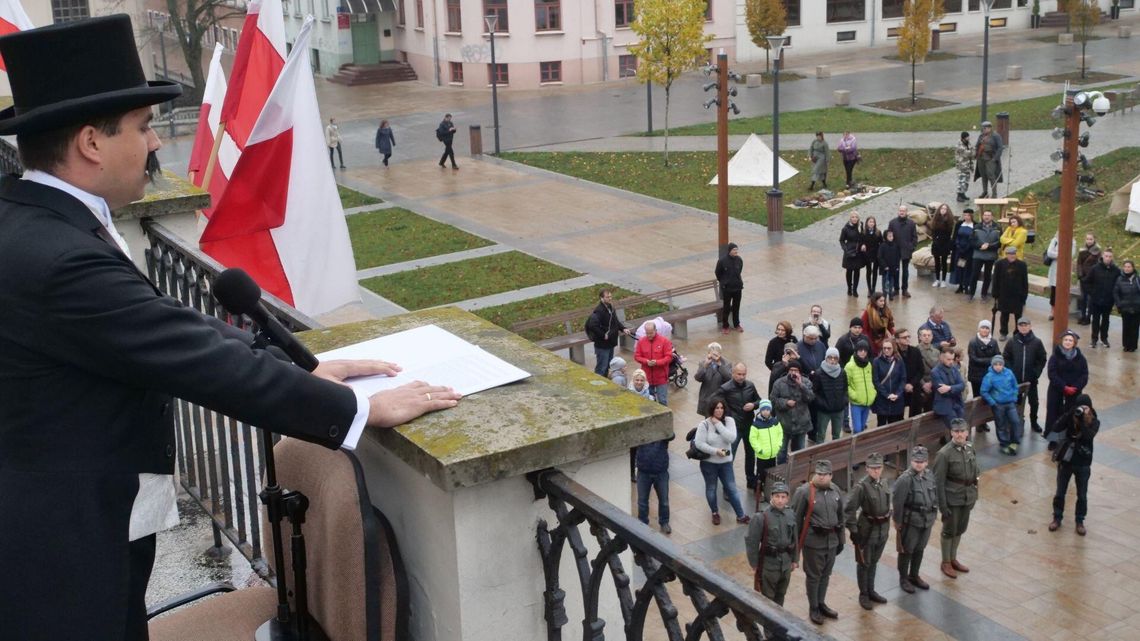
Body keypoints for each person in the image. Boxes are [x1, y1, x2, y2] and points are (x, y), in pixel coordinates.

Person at [0, 17, 463, 641]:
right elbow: (193, 358)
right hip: (58, 548)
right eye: (143, 126)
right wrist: (358, 408)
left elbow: (160, 325)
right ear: (90, 143)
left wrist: (296, 364)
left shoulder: (31, 218)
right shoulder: (60, 259)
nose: (156, 142)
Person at [791, 460, 846, 625]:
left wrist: (841, 540)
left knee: (826, 574)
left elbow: (841, 517)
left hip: (832, 541)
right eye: (819, 474)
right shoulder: (804, 492)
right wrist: (794, 548)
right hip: (813, 542)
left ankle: (821, 603)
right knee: (814, 576)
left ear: (831, 475)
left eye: (825, 474)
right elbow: (796, 520)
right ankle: (813, 607)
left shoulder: (835, 490)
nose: (821, 477)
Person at [933, 419, 979, 579]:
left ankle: (953, 558)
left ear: (967, 432)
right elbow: (938, 482)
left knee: (960, 529)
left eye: (962, 431)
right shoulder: (944, 454)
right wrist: (942, 506)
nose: (959, 434)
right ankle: (946, 561)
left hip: (967, 497)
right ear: (951, 433)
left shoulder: (970, 447)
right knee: (949, 531)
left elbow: (975, 473)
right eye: (956, 431)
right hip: (952, 498)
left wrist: (975, 495)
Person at [845, 452, 892, 611]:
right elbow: (849, 510)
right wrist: (853, 530)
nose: (876, 471)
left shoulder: (884, 483)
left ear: (882, 468)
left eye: (878, 467)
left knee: (874, 561)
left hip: (882, 530)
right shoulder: (861, 487)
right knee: (864, 562)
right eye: (873, 468)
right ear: (866, 468)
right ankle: (863, 593)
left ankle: (871, 590)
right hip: (867, 530)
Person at [1048, 394, 1099, 536]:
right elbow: (1056, 427)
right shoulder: (1071, 416)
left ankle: (1080, 521)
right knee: (1060, 492)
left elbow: (1088, 436)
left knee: (1082, 495)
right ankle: (1057, 518)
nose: (1082, 410)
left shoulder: (1095, 421)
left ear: (1090, 408)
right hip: (1067, 461)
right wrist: (1070, 413)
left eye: (1085, 407)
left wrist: (1082, 421)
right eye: (1080, 407)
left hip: (1083, 462)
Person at [693, 399, 750, 526]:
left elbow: (731, 438)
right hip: (709, 463)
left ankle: (741, 515)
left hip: (726, 463)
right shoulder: (704, 424)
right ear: (711, 409)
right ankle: (715, 512)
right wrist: (716, 451)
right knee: (711, 488)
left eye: (721, 408)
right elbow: (699, 443)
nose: (719, 410)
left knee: (732, 489)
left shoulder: (729, 421)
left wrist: (718, 424)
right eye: (716, 408)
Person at [892, 446, 938, 593]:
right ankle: (903, 578)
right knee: (907, 549)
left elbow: (934, 494)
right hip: (911, 521)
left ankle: (914, 575)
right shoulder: (905, 479)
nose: (919, 464)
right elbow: (897, 502)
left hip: (927, 520)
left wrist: (934, 513)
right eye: (916, 461)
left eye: (922, 461)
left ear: (927, 462)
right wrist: (898, 522)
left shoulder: (929, 475)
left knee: (920, 548)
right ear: (911, 461)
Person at [745, 480, 798, 606]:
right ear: (771, 497)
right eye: (777, 496)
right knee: (768, 599)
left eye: (783, 497)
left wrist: (795, 559)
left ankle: (779, 618)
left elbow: (794, 538)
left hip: (786, 564)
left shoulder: (790, 514)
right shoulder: (761, 517)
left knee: (781, 595)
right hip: (769, 565)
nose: (780, 500)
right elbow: (751, 542)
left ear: (787, 499)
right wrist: (754, 564)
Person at [719, 363, 762, 488]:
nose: (741, 377)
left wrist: (753, 405)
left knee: (750, 454)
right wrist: (729, 416)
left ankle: (751, 480)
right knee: (729, 455)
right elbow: (716, 405)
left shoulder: (750, 385)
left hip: (749, 425)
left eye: (744, 374)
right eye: (739, 374)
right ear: (733, 373)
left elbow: (759, 400)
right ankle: (727, 485)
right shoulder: (725, 388)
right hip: (734, 428)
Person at [1003, 318, 1047, 433]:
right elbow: (1006, 357)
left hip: (1031, 380)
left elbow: (1042, 359)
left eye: (1025, 325)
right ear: (1017, 327)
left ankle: (1034, 422)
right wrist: (1011, 372)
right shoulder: (1012, 341)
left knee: (1034, 402)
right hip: (1015, 381)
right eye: (1021, 325)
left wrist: (1036, 373)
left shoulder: (1037, 342)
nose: (1023, 327)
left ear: (1030, 326)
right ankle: (1017, 421)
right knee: (1016, 402)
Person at [1045, 330, 1088, 445]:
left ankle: (1070, 437)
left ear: (1074, 343)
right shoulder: (1055, 357)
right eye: (1066, 340)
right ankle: (1053, 440)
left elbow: (1084, 375)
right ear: (1062, 341)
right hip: (1056, 390)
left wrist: (1075, 387)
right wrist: (1064, 386)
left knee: (1072, 415)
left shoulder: (1081, 358)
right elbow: (1052, 374)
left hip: (1074, 392)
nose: (1068, 342)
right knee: (1053, 414)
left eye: (1070, 340)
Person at [771, 360, 815, 461]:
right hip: (784, 423)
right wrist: (786, 403)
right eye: (791, 370)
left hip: (801, 424)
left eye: (796, 370)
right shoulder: (779, 383)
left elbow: (810, 398)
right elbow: (773, 399)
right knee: (782, 451)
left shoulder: (806, 382)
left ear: (800, 372)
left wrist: (801, 385)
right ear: (788, 371)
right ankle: (781, 468)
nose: (793, 372)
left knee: (799, 451)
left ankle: (797, 468)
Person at [981, 355, 1022, 455]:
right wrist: (993, 402)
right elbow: (984, 391)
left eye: (1000, 364)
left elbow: (1015, 386)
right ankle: (1004, 443)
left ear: (1003, 365)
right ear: (992, 365)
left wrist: (1014, 397)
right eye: (996, 364)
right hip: (998, 405)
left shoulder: (1009, 372)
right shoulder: (989, 376)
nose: (998, 366)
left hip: (1010, 403)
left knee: (1015, 422)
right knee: (1001, 425)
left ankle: (1014, 441)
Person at [585, 288, 631, 377]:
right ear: (601, 298)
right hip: (602, 345)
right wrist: (603, 335)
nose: (610, 298)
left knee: (609, 365)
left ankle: (605, 380)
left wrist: (623, 328)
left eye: (610, 296)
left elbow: (615, 321)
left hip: (610, 342)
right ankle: (598, 382)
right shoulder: (599, 311)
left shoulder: (610, 307)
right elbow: (592, 325)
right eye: (607, 297)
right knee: (601, 367)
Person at [635, 433, 675, 534]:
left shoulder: (661, 429)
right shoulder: (641, 429)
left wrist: (663, 431)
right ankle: (642, 522)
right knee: (642, 501)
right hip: (643, 471)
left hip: (661, 471)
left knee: (664, 501)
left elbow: (671, 435)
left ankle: (664, 522)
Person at [1084, 248, 1121, 348]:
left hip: (1108, 301)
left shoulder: (1116, 270)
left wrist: (1114, 296)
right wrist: (1092, 293)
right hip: (1096, 300)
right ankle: (1094, 339)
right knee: (1095, 320)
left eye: (1110, 256)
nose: (1108, 258)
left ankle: (1104, 338)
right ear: (1102, 256)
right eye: (1106, 256)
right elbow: (1086, 282)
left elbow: (1118, 285)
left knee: (1106, 320)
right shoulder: (1095, 268)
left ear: (1112, 258)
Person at [749, 399, 783, 504]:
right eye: (764, 410)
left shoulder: (775, 422)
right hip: (762, 456)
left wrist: (778, 445)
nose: (766, 412)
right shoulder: (756, 424)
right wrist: (759, 450)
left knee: (770, 474)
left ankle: (767, 490)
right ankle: (758, 490)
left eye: (768, 410)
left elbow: (780, 433)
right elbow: (752, 439)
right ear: (760, 410)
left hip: (773, 454)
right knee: (761, 475)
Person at [966, 320, 999, 432]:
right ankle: (978, 423)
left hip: (989, 376)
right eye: (983, 327)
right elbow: (974, 359)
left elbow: (997, 356)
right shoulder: (973, 342)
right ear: (979, 329)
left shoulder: (993, 342)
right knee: (977, 399)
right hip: (976, 376)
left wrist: (988, 361)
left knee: (986, 399)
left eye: (987, 328)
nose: (984, 330)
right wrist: (990, 360)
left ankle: (983, 422)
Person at [992, 245, 1029, 340]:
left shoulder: (1022, 265)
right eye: (1010, 254)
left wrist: (1024, 295)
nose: (1012, 256)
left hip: (1017, 295)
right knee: (1004, 315)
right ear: (1006, 254)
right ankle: (1003, 332)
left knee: (1018, 316)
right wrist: (995, 293)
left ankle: (1017, 333)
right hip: (1004, 294)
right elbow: (995, 280)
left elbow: (1025, 281)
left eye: (1014, 254)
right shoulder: (999, 264)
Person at [810, 348, 847, 443]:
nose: (832, 360)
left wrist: (843, 401)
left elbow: (845, 389)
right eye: (830, 357)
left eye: (835, 358)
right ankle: (819, 452)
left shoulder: (842, 372)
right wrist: (822, 404)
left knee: (837, 435)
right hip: (824, 411)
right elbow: (814, 392)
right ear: (826, 358)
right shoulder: (819, 373)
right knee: (821, 435)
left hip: (838, 410)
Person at [634, 320, 672, 405]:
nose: (649, 335)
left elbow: (669, 357)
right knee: (649, 401)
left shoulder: (664, 341)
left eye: (651, 333)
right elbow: (637, 356)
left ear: (656, 331)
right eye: (647, 333)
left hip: (661, 377)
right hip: (647, 378)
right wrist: (646, 361)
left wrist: (657, 362)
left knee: (662, 401)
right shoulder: (641, 341)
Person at [872, 338, 907, 426]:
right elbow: (876, 381)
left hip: (896, 399)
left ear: (893, 348)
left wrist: (897, 394)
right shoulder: (877, 361)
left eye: (889, 348)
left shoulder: (899, 361)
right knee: (881, 425)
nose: (886, 350)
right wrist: (887, 395)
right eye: (884, 348)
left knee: (894, 426)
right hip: (882, 399)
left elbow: (903, 379)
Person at [931, 347, 966, 429]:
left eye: (952, 359)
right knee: (956, 429)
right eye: (948, 359)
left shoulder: (954, 368)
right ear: (941, 357)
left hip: (958, 404)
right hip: (945, 406)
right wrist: (956, 388)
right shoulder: (935, 372)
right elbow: (943, 392)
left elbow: (962, 385)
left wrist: (950, 388)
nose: (951, 362)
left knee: (962, 429)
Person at [845, 343, 876, 434]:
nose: (863, 352)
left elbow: (871, 380)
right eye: (860, 350)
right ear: (856, 351)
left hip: (867, 401)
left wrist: (873, 392)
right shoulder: (849, 366)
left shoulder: (868, 364)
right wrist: (854, 395)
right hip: (856, 402)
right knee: (857, 429)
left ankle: (860, 443)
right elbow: (846, 384)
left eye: (865, 350)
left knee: (862, 427)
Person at [695, 342, 733, 416]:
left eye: (716, 353)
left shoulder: (726, 363)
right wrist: (705, 366)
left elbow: (729, 378)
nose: (714, 356)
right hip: (707, 399)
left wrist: (720, 365)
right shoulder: (703, 363)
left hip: (720, 400)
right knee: (708, 420)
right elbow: (698, 378)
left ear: (720, 353)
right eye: (712, 353)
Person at [888, 204, 918, 298]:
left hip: (906, 250)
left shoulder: (911, 223)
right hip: (895, 251)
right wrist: (890, 247)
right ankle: (896, 289)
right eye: (900, 210)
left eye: (903, 211)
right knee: (895, 271)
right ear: (898, 211)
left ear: (906, 212)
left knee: (905, 271)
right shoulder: (892, 223)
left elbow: (914, 237)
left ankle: (905, 289)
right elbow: (888, 236)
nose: (902, 212)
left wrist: (911, 247)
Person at [896, 329, 928, 417]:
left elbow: (921, 370)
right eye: (904, 337)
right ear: (897, 340)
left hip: (914, 387)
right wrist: (904, 385)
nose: (907, 339)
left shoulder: (915, 351)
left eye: (908, 336)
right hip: (899, 388)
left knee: (916, 414)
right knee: (897, 416)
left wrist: (911, 384)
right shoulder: (894, 353)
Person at [970, 210, 1001, 300]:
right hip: (978, 255)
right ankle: (971, 293)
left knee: (987, 276)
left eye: (989, 215)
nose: (987, 217)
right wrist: (980, 245)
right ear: (982, 216)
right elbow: (971, 240)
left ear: (992, 217)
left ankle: (984, 294)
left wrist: (989, 246)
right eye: (985, 215)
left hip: (990, 256)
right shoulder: (976, 227)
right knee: (974, 275)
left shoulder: (998, 228)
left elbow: (1000, 242)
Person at [715, 242, 744, 333]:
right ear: (729, 251)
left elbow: (740, 270)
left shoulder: (739, 260)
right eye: (734, 250)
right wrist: (724, 282)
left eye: (736, 250)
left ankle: (736, 324)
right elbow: (717, 273)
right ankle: (725, 326)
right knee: (726, 307)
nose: (736, 251)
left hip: (737, 288)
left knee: (736, 307)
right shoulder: (722, 261)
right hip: (727, 289)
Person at [973, 120, 1003, 198]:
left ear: (990, 128)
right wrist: (975, 153)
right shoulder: (981, 136)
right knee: (983, 176)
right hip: (981, 159)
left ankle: (994, 194)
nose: (983, 130)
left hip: (990, 159)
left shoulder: (996, 136)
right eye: (983, 128)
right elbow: (977, 145)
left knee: (991, 176)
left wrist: (995, 158)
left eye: (985, 128)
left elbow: (1000, 148)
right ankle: (985, 192)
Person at [1076, 232, 1101, 324]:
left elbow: (1098, 265)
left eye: (1091, 239)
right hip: (1083, 278)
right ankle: (1082, 315)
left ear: (1094, 240)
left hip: (1092, 279)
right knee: (1083, 298)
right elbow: (1079, 263)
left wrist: (1092, 276)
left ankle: (1088, 317)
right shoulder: (1082, 250)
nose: (1089, 241)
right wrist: (1080, 274)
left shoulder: (1097, 251)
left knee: (1090, 299)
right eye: (1087, 239)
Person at [1115, 259, 1140, 352]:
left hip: (1136, 307)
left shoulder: (1137, 279)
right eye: (1125, 267)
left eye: (1129, 267)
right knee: (1126, 327)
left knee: (1135, 328)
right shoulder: (1119, 279)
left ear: (1133, 268)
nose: (1127, 268)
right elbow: (1116, 292)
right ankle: (1126, 345)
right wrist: (1119, 304)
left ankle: (1133, 346)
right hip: (1125, 307)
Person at [861, 292, 895, 356]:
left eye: (884, 301)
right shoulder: (868, 312)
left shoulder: (887, 311)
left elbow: (890, 325)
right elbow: (864, 328)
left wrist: (892, 334)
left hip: (885, 339)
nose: (883, 303)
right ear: (875, 301)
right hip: (872, 339)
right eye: (881, 301)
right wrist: (868, 341)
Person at [840, 212, 865, 298]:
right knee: (849, 271)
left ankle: (855, 289)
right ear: (850, 218)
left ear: (858, 218)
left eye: (856, 217)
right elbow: (841, 240)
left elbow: (863, 237)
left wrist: (863, 244)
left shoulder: (860, 226)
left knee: (857, 271)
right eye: (853, 217)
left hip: (858, 251)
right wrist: (845, 249)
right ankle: (849, 288)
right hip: (849, 251)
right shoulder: (845, 228)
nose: (854, 219)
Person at [930, 203, 955, 287]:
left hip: (945, 243)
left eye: (945, 209)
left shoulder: (949, 220)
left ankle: (943, 280)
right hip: (936, 243)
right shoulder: (935, 220)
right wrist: (935, 240)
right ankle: (937, 279)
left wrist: (945, 242)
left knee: (944, 262)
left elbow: (949, 233)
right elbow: (933, 232)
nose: (943, 210)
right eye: (942, 208)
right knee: (937, 262)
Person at [952, 209, 976, 294]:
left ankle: (966, 286)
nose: (966, 217)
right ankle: (960, 286)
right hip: (959, 250)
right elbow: (955, 236)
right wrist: (958, 245)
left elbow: (974, 238)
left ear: (971, 216)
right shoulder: (959, 224)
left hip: (969, 251)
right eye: (965, 215)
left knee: (967, 268)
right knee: (960, 267)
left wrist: (967, 248)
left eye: (968, 215)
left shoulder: (975, 225)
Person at [878, 228, 901, 300]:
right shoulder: (882, 246)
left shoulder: (895, 245)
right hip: (885, 269)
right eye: (889, 236)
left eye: (892, 236)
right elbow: (880, 257)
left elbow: (898, 257)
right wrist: (884, 266)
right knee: (885, 282)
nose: (891, 238)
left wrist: (897, 266)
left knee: (891, 281)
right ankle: (884, 295)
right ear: (885, 237)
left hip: (893, 268)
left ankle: (890, 294)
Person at [862, 215, 882, 294]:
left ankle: (873, 288)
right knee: (869, 271)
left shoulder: (878, 232)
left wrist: (880, 251)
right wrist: (863, 245)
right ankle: (869, 289)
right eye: (870, 222)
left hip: (876, 254)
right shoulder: (864, 232)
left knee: (875, 271)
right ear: (867, 223)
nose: (871, 223)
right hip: (867, 254)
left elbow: (881, 242)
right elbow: (861, 241)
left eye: (873, 222)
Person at [954, 131, 973, 202]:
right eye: (967, 137)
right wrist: (972, 151)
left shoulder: (968, 143)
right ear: (964, 138)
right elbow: (966, 154)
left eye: (968, 137)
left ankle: (963, 194)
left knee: (966, 181)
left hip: (967, 166)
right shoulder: (959, 145)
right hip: (961, 166)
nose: (969, 138)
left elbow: (972, 153)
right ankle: (959, 196)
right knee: (961, 181)